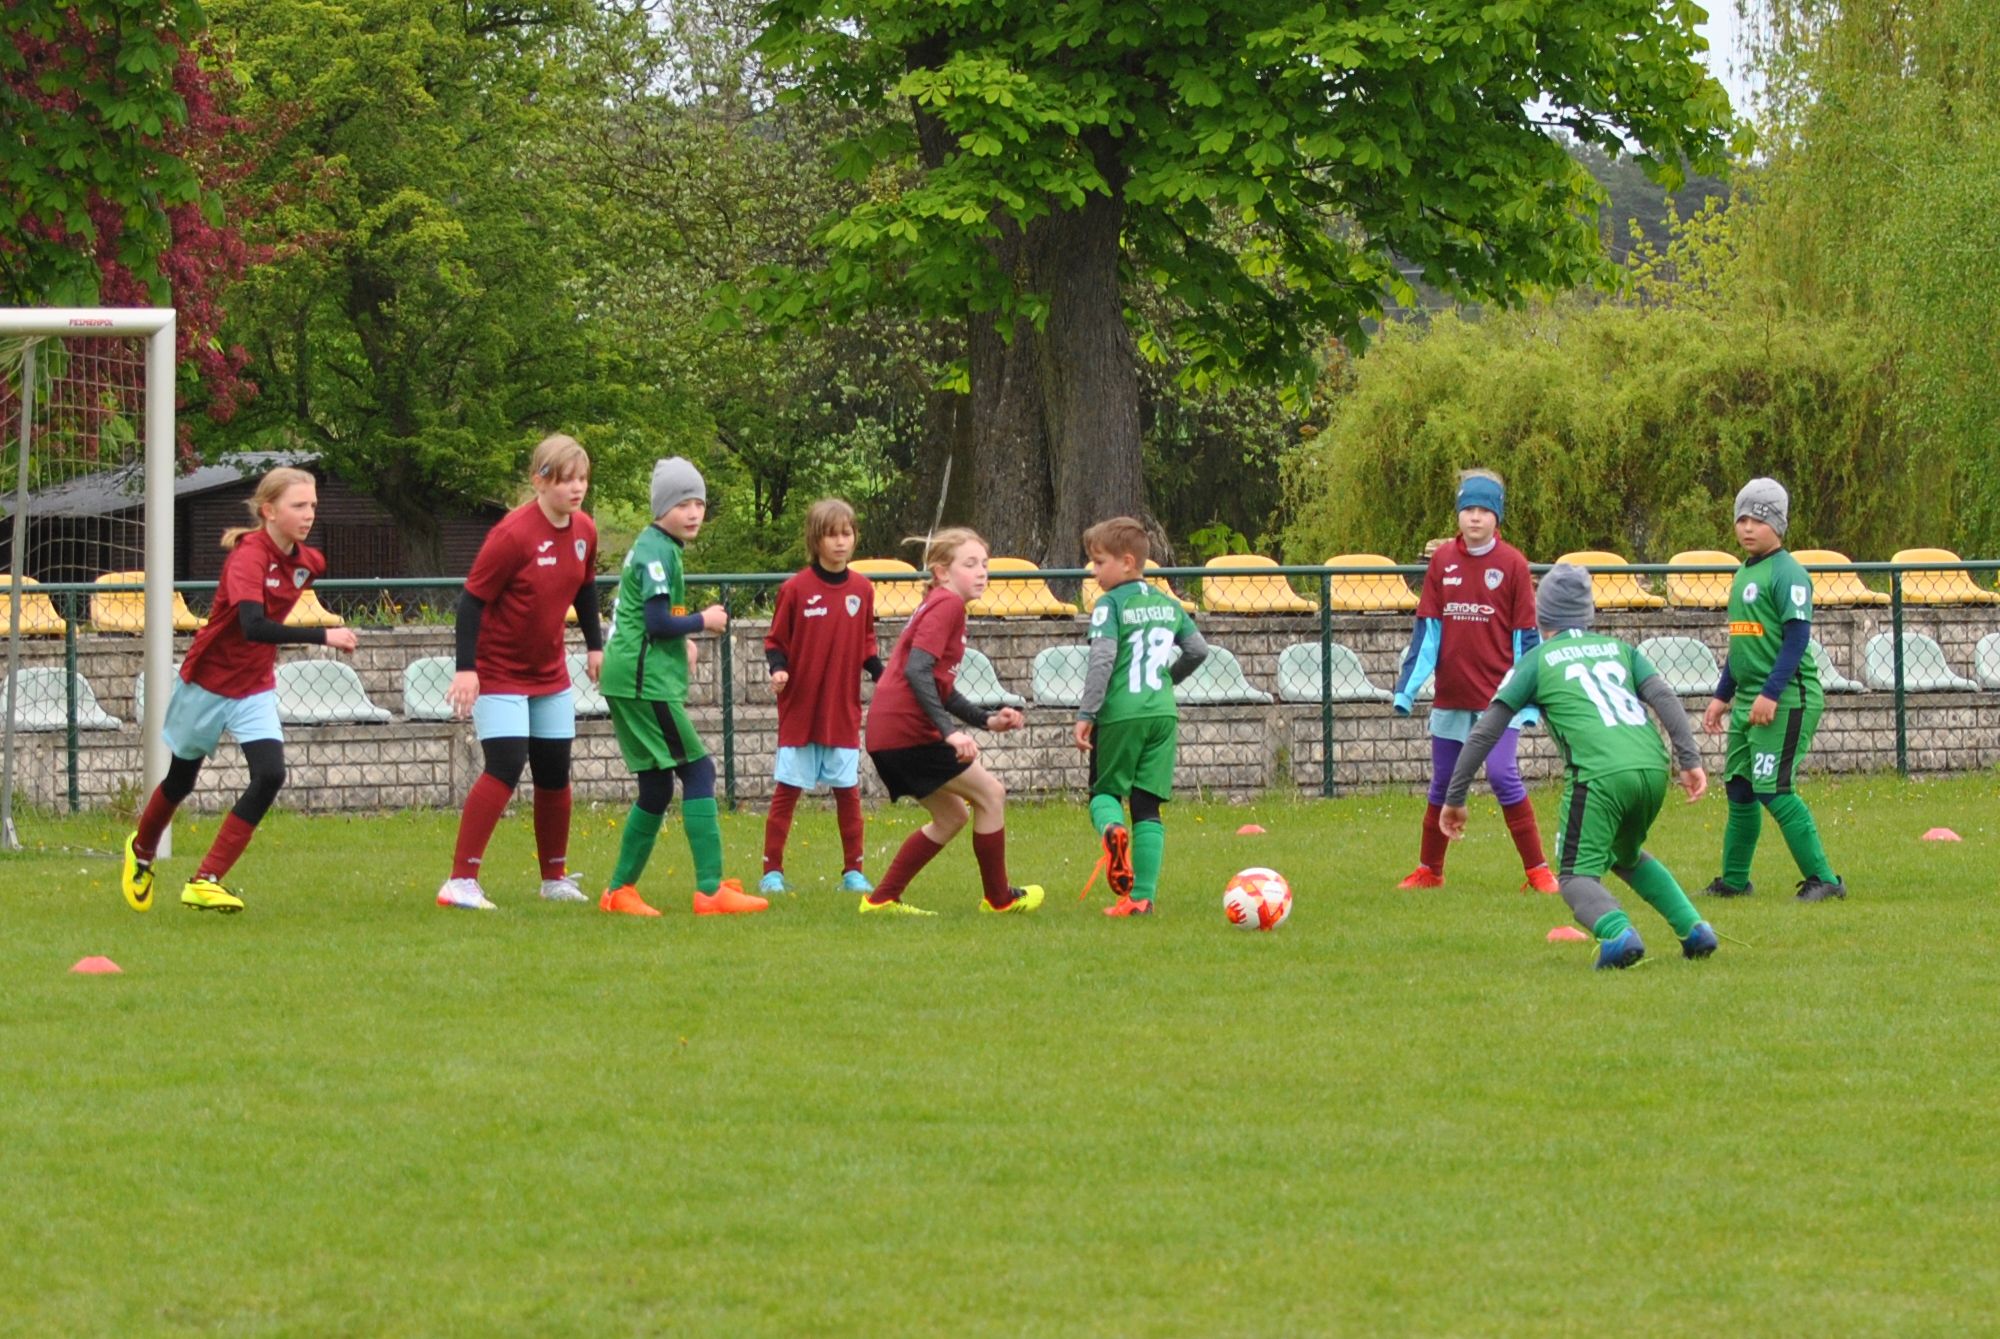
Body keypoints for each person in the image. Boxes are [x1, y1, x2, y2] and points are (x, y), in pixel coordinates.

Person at [1440, 564, 1717, 969]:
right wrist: (1689, 760)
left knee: (1573, 876)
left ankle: (1617, 933)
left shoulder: (1537, 661)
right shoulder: (1621, 650)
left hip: (1598, 774)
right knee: (1625, 853)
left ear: (1541, 615)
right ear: (1588, 614)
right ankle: (1694, 929)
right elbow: (1664, 697)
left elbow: (1485, 731)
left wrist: (1455, 796)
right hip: (1652, 766)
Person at [120, 466, 360, 913]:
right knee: (180, 780)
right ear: (269, 511)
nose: (309, 515)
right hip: (208, 682)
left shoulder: (310, 563)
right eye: (298, 506)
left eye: (312, 506)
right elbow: (252, 626)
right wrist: (323, 636)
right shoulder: (247, 558)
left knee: (270, 774)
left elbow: (270, 618)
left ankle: (205, 879)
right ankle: (142, 851)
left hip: (253, 686)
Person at [436, 435, 602, 911]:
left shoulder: (585, 531)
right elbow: (471, 602)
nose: (577, 489)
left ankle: (554, 877)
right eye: (566, 479)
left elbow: (585, 589)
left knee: (555, 773)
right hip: (500, 670)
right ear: (539, 481)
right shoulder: (511, 535)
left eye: (582, 479)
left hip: (548, 672)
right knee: (506, 766)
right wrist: (467, 669)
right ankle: (459, 881)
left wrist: (595, 647)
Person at [598, 457, 766, 916]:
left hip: (632, 676)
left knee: (655, 788)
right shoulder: (657, 550)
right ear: (662, 507)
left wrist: (683, 637)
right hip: (641, 682)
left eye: (700, 504)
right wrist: (704, 622)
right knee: (699, 771)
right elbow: (653, 620)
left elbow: (651, 618)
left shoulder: (660, 545)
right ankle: (710, 890)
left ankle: (617, 892)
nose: (693, 512)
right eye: (683, 503)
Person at [859, 527, 1042, 917]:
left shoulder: (938, 604)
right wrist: (950, 732)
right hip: (906, 733)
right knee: (991, 794)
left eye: (985, 565)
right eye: (970, 564)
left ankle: (880, 900)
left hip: (888, 734)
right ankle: (999, 899)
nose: (981, 572)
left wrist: (986, 720)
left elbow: (937, 685)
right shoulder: (948, 606)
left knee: (952, 814)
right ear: (942, 572)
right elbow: (917, 671)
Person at [1391, 469, 1557, 893]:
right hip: (1452, 696)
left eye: (1484, 510)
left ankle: (1538, 872)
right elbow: (1427, 632)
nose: (1475, 518)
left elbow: (1527, 640)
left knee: (1503, 776)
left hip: (1501, 701)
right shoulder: (1442, 561)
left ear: (1497, 517)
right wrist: (1407, 690)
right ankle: (1430, 869)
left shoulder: (1514, 564)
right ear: (1458, 515)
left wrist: (1530, 699)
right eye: (1468, 509)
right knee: (1443, 783)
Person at [1701, 478, 1845, 901]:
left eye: (1758, 520)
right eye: (1741, 518)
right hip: (1748, 698)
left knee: (1774, 787)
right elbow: (1743, 643)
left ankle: (1825, 881)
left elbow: (1796, 640)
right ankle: (1733, 881)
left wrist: (1770, 693)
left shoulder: (1789, 574)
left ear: (1778, 525)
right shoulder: (1743, 572)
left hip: (1788, 697)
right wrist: (1721, 695)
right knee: (1741, 787)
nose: (1747, 528)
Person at [1071, 516, 1208, 916]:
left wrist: (1087, 712)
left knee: (1104, 794)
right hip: (1162, 713)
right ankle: (1142, 898)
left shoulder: (1109, 606)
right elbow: (1198, 650)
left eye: (1099, 563)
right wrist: (1166, 678)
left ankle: (1113, 832)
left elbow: (1102, 660)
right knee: (1148, 805)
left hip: (1120, 714)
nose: (1094, 572)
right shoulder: (1168, 605)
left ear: (1127, 562)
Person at [760, 498, 882, 896]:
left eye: (847, 533)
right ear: (816, 540)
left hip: (842, 710)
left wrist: (885, 676)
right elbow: (775, 641)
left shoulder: (862, 590)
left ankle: (853, 872)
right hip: (800, 709)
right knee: (787, 791)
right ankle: (772, 872)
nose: (841, 542)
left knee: (848, 793)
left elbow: (867, 646)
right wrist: (779, 668)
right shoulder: (795, 589)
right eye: (832, 534)